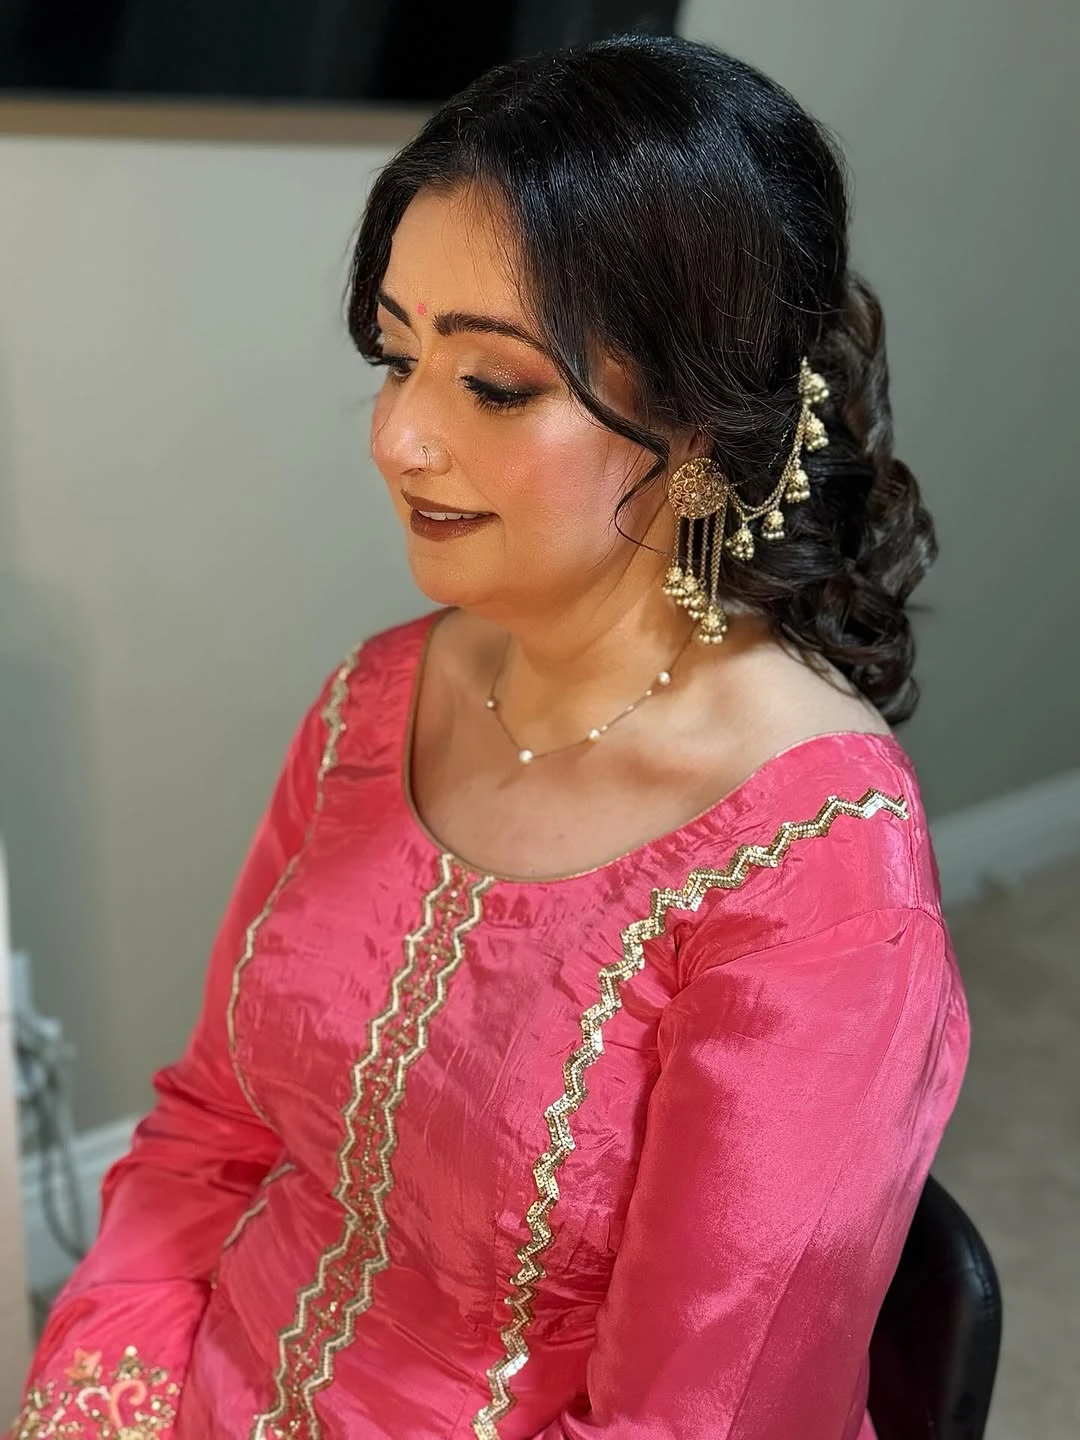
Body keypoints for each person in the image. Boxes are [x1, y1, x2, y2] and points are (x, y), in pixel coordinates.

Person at [10, 33, 969, 1440]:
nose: (398, 435)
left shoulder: (814, 875)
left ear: (701, 426)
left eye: (494, 385)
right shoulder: (376, 702)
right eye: (397, 356)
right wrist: (102, 1399)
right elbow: (215, 1124)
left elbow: (698, 1421)